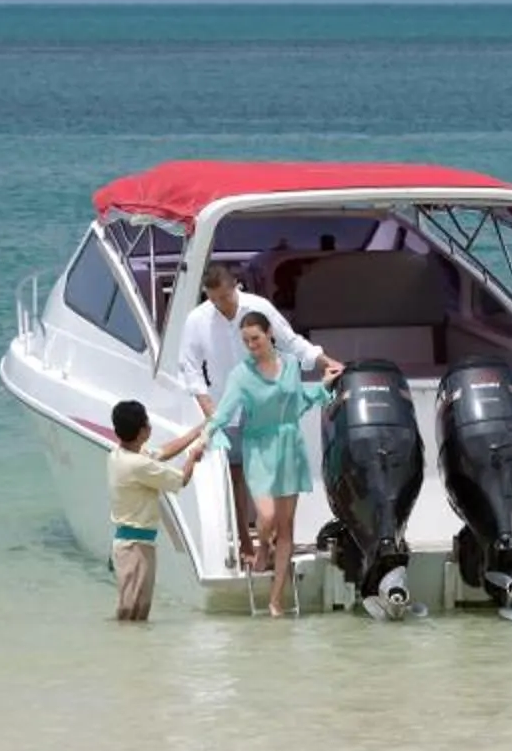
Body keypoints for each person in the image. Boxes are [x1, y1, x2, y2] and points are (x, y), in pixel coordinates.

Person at [176, 263, 325, 572]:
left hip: (264, 408)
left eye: (225, 298)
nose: (220, 305)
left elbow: (290, 342)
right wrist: (210, 411)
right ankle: (246, 541)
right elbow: (190, 368)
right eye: (214, 299)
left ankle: (270, 540)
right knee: (235, 478)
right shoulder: (197, 320)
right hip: (224, 407)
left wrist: (322, 361)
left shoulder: (259, 308)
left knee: (267, 473)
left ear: (236, 287)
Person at [208, 312, 341, 617]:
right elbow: (224, 411)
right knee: (265, 517)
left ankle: (276, 600)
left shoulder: (291, 365)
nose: (251, 345)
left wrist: (323, 386)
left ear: (270, 334)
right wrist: (211, 435)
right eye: (246, 341)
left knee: (286, 528)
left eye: (255, 338)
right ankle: (262, 546)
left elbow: (295, 401)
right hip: (258, 447)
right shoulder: (241, 375)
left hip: (289, 446)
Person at [104, 399, 207, 622]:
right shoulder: (138, 465)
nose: (150, 426)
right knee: (133, 613)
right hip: (135, 548)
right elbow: (181, 480)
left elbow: (163, 452)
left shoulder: (119, 456)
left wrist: (197, 431)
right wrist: (193, 457)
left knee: (133, 613)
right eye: (147, 423)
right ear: (142, 431)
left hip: (132, 544)